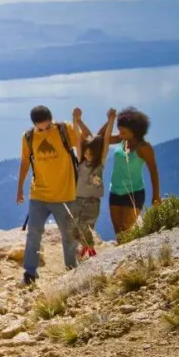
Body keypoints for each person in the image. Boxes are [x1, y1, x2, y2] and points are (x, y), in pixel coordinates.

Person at [16, 106, 82, 285]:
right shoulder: (28, 137)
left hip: (65, 194)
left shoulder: (64, 130)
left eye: (46, 127)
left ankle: (71, 271)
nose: (44, 131)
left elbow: (83, 142)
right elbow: (25, 161)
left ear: (51, 120)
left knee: (68, 235)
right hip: (39, 193)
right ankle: (29, 273)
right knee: (34, 233)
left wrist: (77, 121)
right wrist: (20, 187)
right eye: (40, 128)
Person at [108, 107, 161, 237]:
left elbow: (153, 172)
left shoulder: (144, 148)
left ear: (135, 132)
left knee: (126, 232)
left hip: (134, 192)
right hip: (114, 191)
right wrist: (110, 120)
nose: (120, 134)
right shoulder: (122, 140)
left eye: (124, 132)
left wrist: (156, 197)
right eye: (119, 130)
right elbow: (102, 138)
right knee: (119, 234)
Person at [71, 108, 116, 258]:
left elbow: (105, 138)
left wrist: (111, 121)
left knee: (84, 226)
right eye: (86, 152)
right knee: (75, 230)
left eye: (92, 153)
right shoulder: (80, 162)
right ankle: (86, 248)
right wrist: (76, 119)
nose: (88, 155)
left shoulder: (99, 164)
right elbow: (80, 137)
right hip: (77, 200)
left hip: (92, 202)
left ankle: (90, 249)